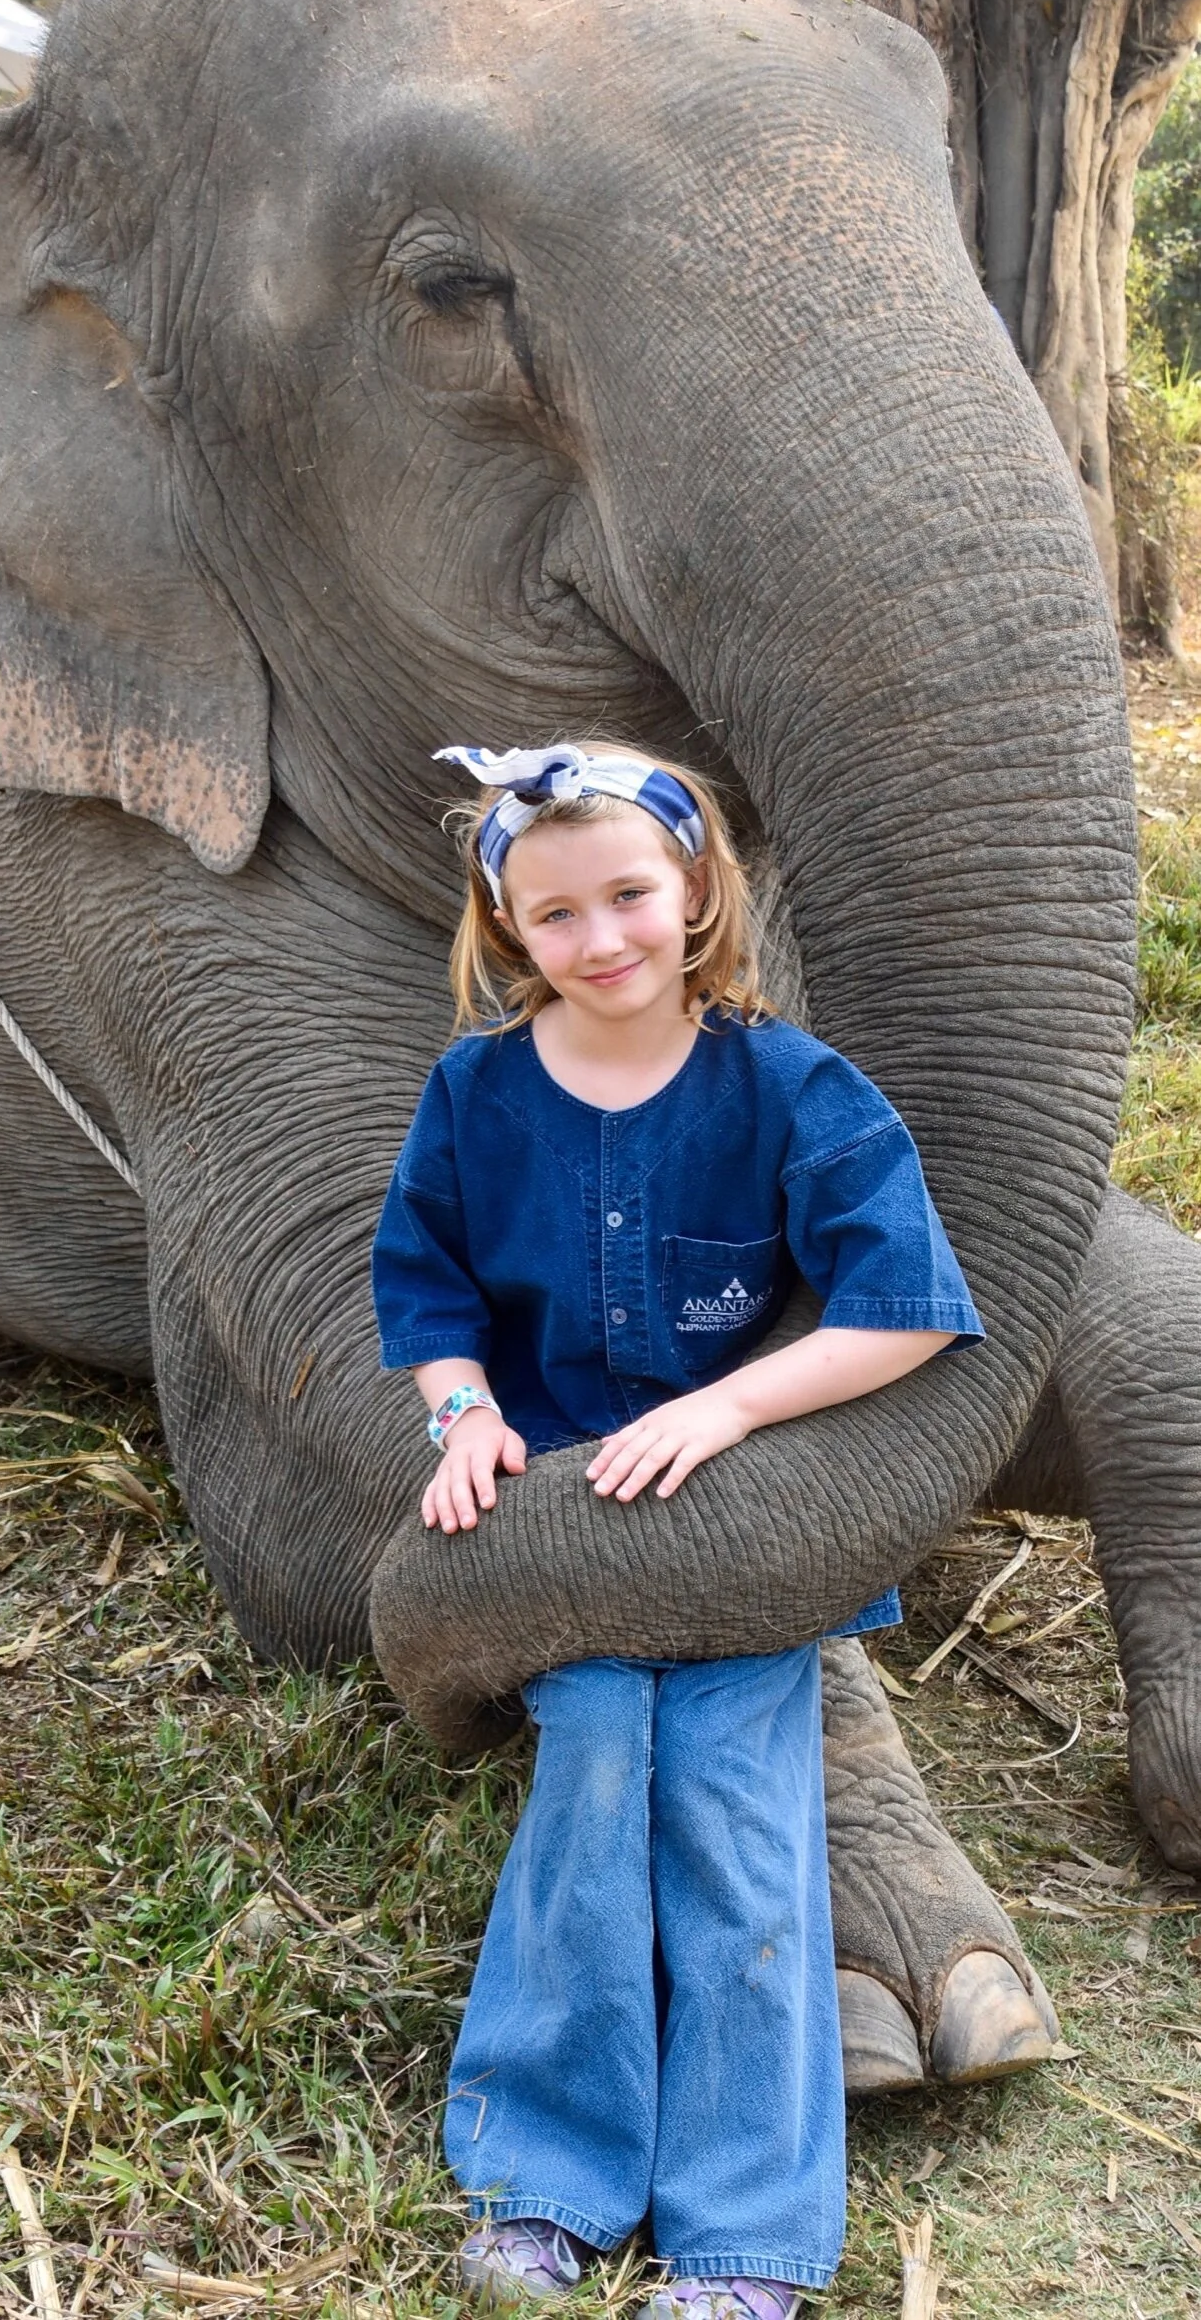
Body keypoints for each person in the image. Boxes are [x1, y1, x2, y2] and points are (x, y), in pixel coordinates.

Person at [371, 741, 984, 2317]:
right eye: (553, 912)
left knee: (732, 1817)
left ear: (694, 889)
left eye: (630, 894)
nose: (601, 940)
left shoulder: (790, 1085)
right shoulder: (474, 1092)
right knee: (587, 1784)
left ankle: (744, 2241)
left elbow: (903, 1310)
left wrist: (730, 1409)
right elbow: (428, 1291)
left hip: (737, 1523)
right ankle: (542, 2186)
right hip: (564, 1530)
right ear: (508, 928)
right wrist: (463, 1414)